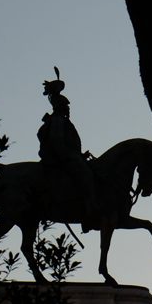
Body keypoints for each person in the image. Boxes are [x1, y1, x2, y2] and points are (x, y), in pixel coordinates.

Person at [37, 68, 97, 217]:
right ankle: (90, 208)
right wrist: (70, 156)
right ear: (61, 106)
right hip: (62, 157)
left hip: (70, 155)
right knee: (85, 174)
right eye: (66, 105)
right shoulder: (57, 120)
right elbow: (56, 141)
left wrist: (79, 155)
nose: (68, 108)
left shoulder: (62, 121)